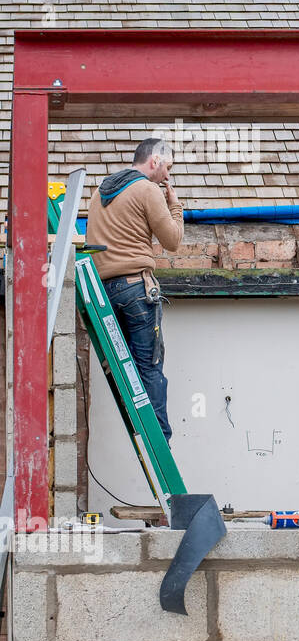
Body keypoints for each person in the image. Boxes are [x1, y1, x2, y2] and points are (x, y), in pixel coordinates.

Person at [85, 138, 184, 441]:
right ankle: (160, 441)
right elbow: (173, 241)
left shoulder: (98, 193)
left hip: (103, 294)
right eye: (167, 168)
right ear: (154, 161)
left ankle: (137, 426)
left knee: (121, 365)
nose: (167, 177)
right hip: (136, 291)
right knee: (149, 367)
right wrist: (175, 205)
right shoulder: (147, 190)